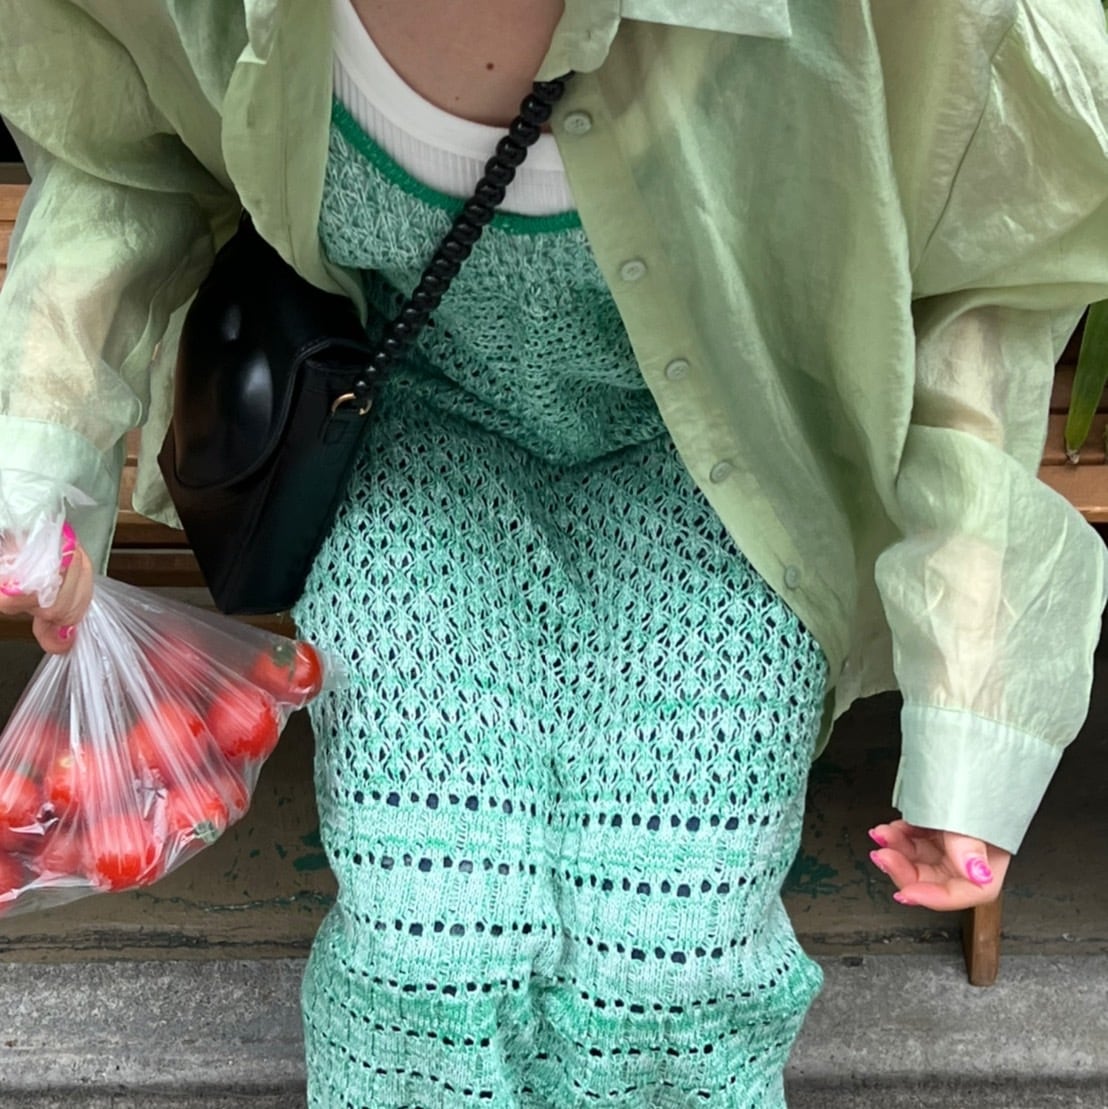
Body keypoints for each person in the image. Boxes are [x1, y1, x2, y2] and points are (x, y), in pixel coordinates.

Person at [2, 1, 1107, 1104]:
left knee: (671, 947)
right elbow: (118, 148)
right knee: (426, 936)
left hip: (730, 453)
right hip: (420, 423)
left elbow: (991, 257)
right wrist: (44, 454)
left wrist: (977, 703)